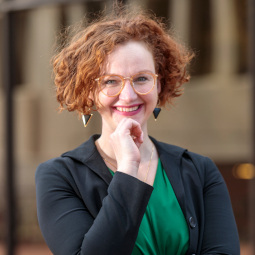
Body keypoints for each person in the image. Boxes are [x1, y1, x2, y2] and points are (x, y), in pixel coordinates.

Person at [35, 6, 240, 255]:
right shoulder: (59, 176)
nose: (129, 95)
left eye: (142, 78)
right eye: (110, 81)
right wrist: (128, 171)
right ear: (89, 91)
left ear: (159, 83)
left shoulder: (200, 170)